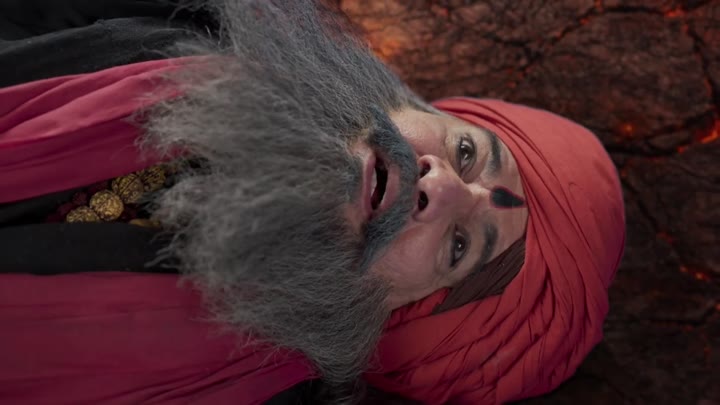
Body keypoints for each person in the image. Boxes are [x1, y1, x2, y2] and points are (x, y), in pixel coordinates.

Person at [0, 1, 626, 404]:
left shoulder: (231, 390)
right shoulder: (184, 23)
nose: (439, 186)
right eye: (466, 152)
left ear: (398, 311)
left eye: (459, 246)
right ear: (408, 102)